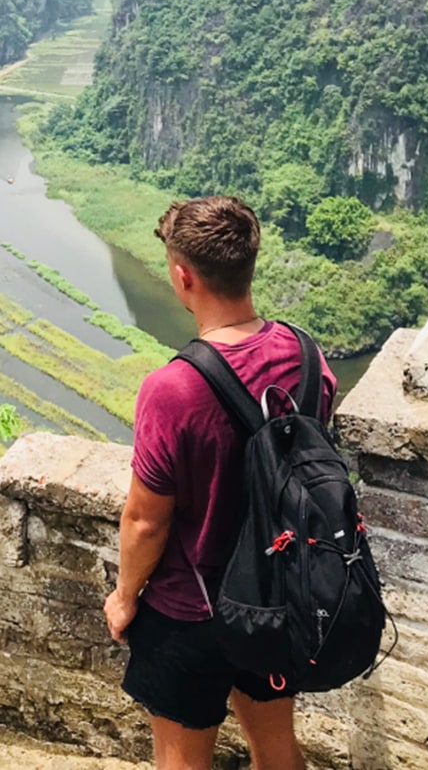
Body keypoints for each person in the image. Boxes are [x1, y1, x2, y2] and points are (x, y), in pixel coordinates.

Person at [103, 195, 337, 770]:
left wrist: (125, 597)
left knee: (182, 759)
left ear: (183, 277)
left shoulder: (173, 389)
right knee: (277, 746)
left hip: (192, 608)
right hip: (278, 593)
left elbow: (146, 520)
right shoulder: (307, 358)